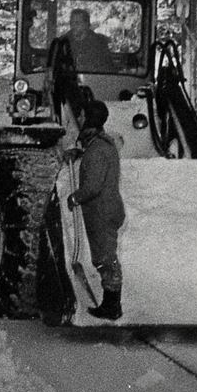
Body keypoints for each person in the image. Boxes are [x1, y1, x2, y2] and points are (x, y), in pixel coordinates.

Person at [67, 100, 125, 320]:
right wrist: (78, 154)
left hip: (102, 212)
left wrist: (75, 197)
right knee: (105, 257)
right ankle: (111, 304)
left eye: (82, 116)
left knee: (105, 259)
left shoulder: (96, 150)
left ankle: (112, 307)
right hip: (107, 209)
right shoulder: (103, 144)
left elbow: (92, 186)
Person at [66, 8, 114, 73]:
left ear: (86, 24)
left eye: (77, 23)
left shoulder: (99, 42)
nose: (73, 26)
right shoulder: (64, 41)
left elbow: (107, 67)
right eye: (71, 23)